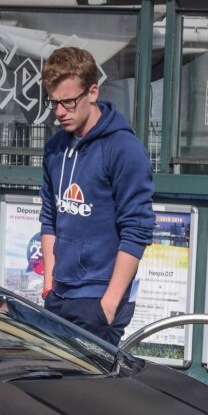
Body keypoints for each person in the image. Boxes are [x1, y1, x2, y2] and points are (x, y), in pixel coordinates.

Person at [37, 47, 154, 345]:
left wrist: (110, 303)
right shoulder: (54, 149)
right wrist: (49, 283)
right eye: (54, 103)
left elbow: (137, 229)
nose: (60, 112)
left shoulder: (124, 149)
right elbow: (50, 217)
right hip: (59, 294)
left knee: (91, 391)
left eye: (68, 102)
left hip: (99, 298)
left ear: (92, 92)